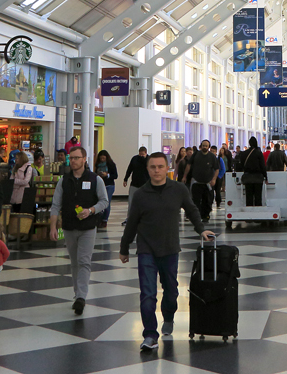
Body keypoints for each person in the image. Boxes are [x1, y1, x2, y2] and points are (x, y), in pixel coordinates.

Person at [119, 152, 215, 351]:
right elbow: (132, 223)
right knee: (147, 294)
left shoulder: (178, 189)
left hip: (170, 249)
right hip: (146, 250)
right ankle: (150, 335)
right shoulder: (140, 195)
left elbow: (191, 210)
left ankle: (169, 316)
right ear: (147, 169)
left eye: (160, 166)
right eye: (152, 167)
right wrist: (124, 247)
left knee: (171, 292)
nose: (156, 170)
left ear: (167, 168)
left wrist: (201, 229)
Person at [48, 145, 109, 315]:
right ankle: (77, 294)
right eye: (71, 158)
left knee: (84, 261)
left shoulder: (95, 179)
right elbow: (55, 205)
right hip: (69, 227)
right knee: (74, 262)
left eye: (76, 158)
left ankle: (81, 297)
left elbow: (104, 201)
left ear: (84, 159)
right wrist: (53, 226)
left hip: (88, 227)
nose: (73, 161)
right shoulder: (64, 181)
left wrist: (90, 210)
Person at [185, 140, 218, 220]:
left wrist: (214, 179)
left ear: (208, 147)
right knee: (196, 200)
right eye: (203, 145)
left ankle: (206, 215)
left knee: (207, 201)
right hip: (197, 182)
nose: (204, 147)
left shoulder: (212, 157)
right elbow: (189, 165)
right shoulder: (196, 154)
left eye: (206, 146)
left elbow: (217, 169)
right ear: (201, 146)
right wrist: (184, 176)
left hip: (207, 183)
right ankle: (197, 215)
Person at [241, 136, 267, 206]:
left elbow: (242, 165)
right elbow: (262, 166)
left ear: (249, 144)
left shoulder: (245, 153)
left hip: (248, 177)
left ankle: (249, 213)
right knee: (258, 197)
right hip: (258, 177)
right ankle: (258, 213)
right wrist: (265, 176)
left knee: (249, 197)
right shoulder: (259, 153)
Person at [95, 150, 119, 228]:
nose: (102, 160)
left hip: (109, 185)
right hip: (100, 185)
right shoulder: (97, 165)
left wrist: (107, 175)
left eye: (103, 158)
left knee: (106, 202)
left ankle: (105, 220)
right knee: (99, 202)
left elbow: (115, 175)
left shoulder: (111, 165)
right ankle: (99, 219)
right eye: (101, 158)